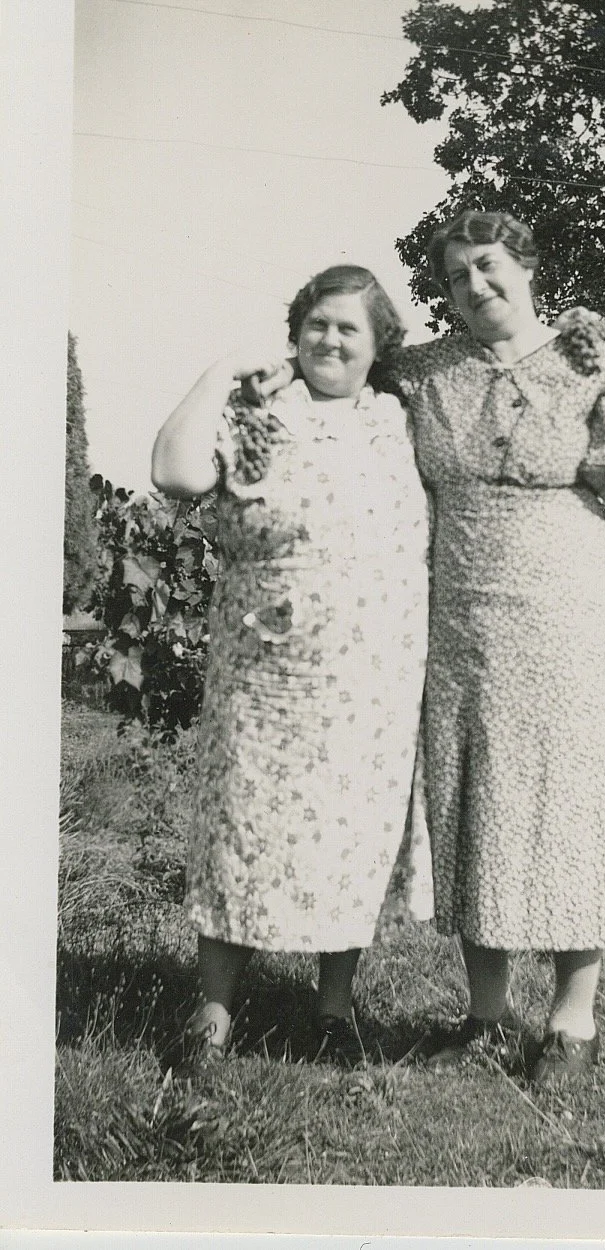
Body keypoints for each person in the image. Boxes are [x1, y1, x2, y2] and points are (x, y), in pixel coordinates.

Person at [378, 209, 605, 1085]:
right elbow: (333, 367)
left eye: (488, 265)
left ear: (526, 266)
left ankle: (573, 1023)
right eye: (456, 276)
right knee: (475, 802)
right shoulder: (423, 373)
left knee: (575, 802)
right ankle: (486, 1018)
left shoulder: (589, 360)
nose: (474, 286)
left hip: (569, 613)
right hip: (460, 622)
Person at [151, 265, 431, 1065]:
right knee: (241, 826)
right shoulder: (259, 410)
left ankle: (333, 1012)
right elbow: (175, 473)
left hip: (370, 677)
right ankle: (212, 1015)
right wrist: (223, 370)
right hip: (264, 673)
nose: (330, 340)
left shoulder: (399, 419)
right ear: (295, 332)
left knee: (351, 834)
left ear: (378, 344)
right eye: (317, 324)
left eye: (349, 328)